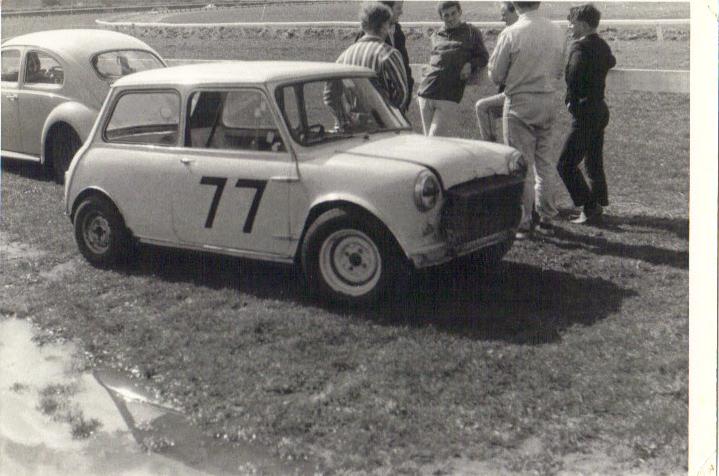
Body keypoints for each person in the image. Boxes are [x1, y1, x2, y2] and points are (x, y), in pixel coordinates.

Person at [487, 1, 566, 239]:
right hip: (548, 98)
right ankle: (547, 218)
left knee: (521, 164)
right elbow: (559, 71)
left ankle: (524, 221)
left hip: (520, 102)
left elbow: (496, 75)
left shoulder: (511, 33)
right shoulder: (556, 30)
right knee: (545, 163)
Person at [557, 4, 616, 224]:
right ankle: (598, 203)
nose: (570, 27)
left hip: (585, 112)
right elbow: (612, 61)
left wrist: (572, 100)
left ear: (582, 24)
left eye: (571, 23)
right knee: (593, 161)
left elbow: (573, 75)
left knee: (565, 164)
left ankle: (590, 207)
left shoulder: (578, 47)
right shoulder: (601, 45)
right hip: (600, 109)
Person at [416, 1, 489, 137]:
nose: (450, 18)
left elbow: (484, 57)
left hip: (449, 95)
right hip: (426, 91)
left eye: (453, 13)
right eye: (446, 15)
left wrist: (470, 64)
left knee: (434, 139)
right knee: (428, 143)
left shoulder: (472, 32)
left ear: (460, 12)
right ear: (441, 17)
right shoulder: (437, 35)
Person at [333, 2, 409, 112]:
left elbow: (330, 94)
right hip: (382, 121)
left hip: (354, 122)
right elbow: (402, 92)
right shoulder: (388, 54)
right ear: (384, 26)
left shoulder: (344, 56)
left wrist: (343, 119)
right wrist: (390, 115)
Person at [355, 1, 414, 112]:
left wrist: (404, 104)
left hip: (396, 106)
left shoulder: (398, 32)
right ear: (387, 10)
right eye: (398, 8)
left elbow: (405, 67)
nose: (401, 12)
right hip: (376, 108)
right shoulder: (367, 34)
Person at [474, 2, 518, 142]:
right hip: (538, 94)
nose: (501, 19)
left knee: (482, 107)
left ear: (515, 11)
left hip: (516, 94)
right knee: (489, 109)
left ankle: (492, 148)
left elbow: (496, 73)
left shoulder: (509, 35)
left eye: (504, 14)